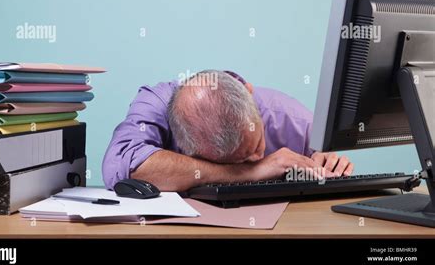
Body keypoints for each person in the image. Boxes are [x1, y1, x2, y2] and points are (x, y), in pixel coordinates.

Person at [103, 70, 353, 191]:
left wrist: (332, 165)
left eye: (256, 145)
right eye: (240, 159)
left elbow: (332, 188)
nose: (257, 158)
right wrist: (252, 172)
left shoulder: (296, 121)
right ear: (189, 145)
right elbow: (123, 167)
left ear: (250, 93)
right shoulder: (155, 105)